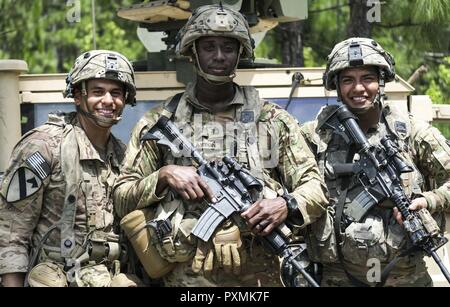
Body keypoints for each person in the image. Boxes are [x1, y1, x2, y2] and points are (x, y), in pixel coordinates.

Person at [113, 4, 328, 287]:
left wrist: (284, 204)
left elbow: (316, 188)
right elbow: (121, 195)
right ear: (192, 52)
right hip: (188, 281)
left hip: (261, 278)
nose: (218, 56)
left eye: (228, 47)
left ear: (240, 53)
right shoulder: (160, 121)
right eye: (208, 47)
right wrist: (164, 176)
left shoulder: (273, 119)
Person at [300, 37, 450, 287]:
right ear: (336, 85)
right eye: (348, 80)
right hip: (335, 277)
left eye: (367, 78)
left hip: (405, 276)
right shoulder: (314, 136)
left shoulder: (412, 132)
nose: (358, 88)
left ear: (380, 82)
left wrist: (429, 200)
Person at [0, 50, 140, 287]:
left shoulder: (124, 154)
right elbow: (11, 232)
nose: (108, 100)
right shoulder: (44, 146)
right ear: (77, 95)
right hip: (58, 277)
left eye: (116, 93)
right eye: (98, 91)